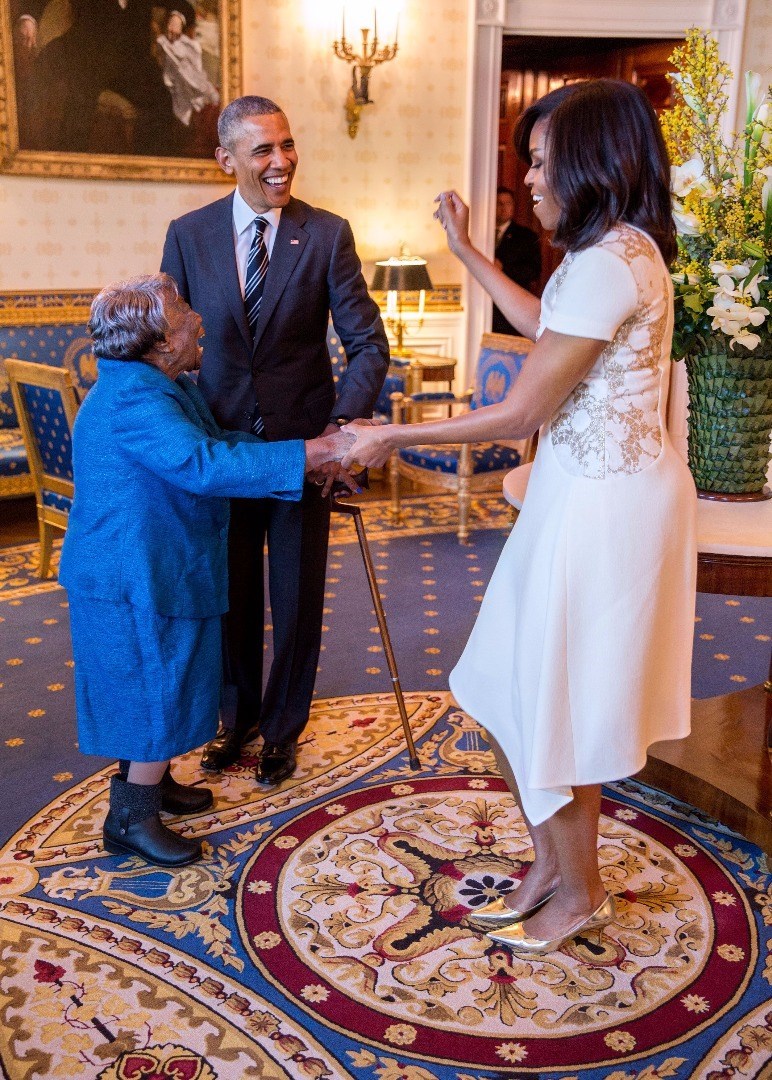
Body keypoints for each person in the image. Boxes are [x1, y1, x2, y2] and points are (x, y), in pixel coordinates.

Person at [342, 80, 697, 956]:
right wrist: (464, 249)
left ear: (589, 160)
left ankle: (578, 893)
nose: (530, 179)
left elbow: (519, 411)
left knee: (556, 701)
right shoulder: (604, 252)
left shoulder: (617, 258)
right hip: (577, 497)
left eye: (540, 161)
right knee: (504, 683)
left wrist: (390, 433)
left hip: (604, 510)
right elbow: (544, 325)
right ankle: (553, 861)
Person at [58, 274, 353, 867]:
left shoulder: (160, 384)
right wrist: (319, 452)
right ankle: (131, 819)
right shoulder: (136, 399)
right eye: (185, 311)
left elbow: (221, 439)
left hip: (158, 562)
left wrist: (307, 462)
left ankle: (152, 781)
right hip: (131, 575)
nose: (199, 319)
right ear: (160, 341)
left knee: (164, 678)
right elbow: (204, 463)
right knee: (152, 685)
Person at [160, 96, 389, 786]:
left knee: (295, 600)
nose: (282, 162)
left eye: (287, 145)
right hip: (222, 454)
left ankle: (284, 728)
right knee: (228, 596)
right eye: (263, 150)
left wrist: (338, 429)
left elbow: (368, 343)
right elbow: (171, 345)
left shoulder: (326, 234)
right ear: (226, 160)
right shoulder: (188, 234)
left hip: (301, 457)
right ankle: (238, 722)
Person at [492, 186, 541, 333]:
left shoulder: (526, 236)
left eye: (508, 204)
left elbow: (534, 272)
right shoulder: (481, 232)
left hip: (513, 306)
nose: (504, 208)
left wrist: (504, 269)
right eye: (499, 203)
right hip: (486, 306)